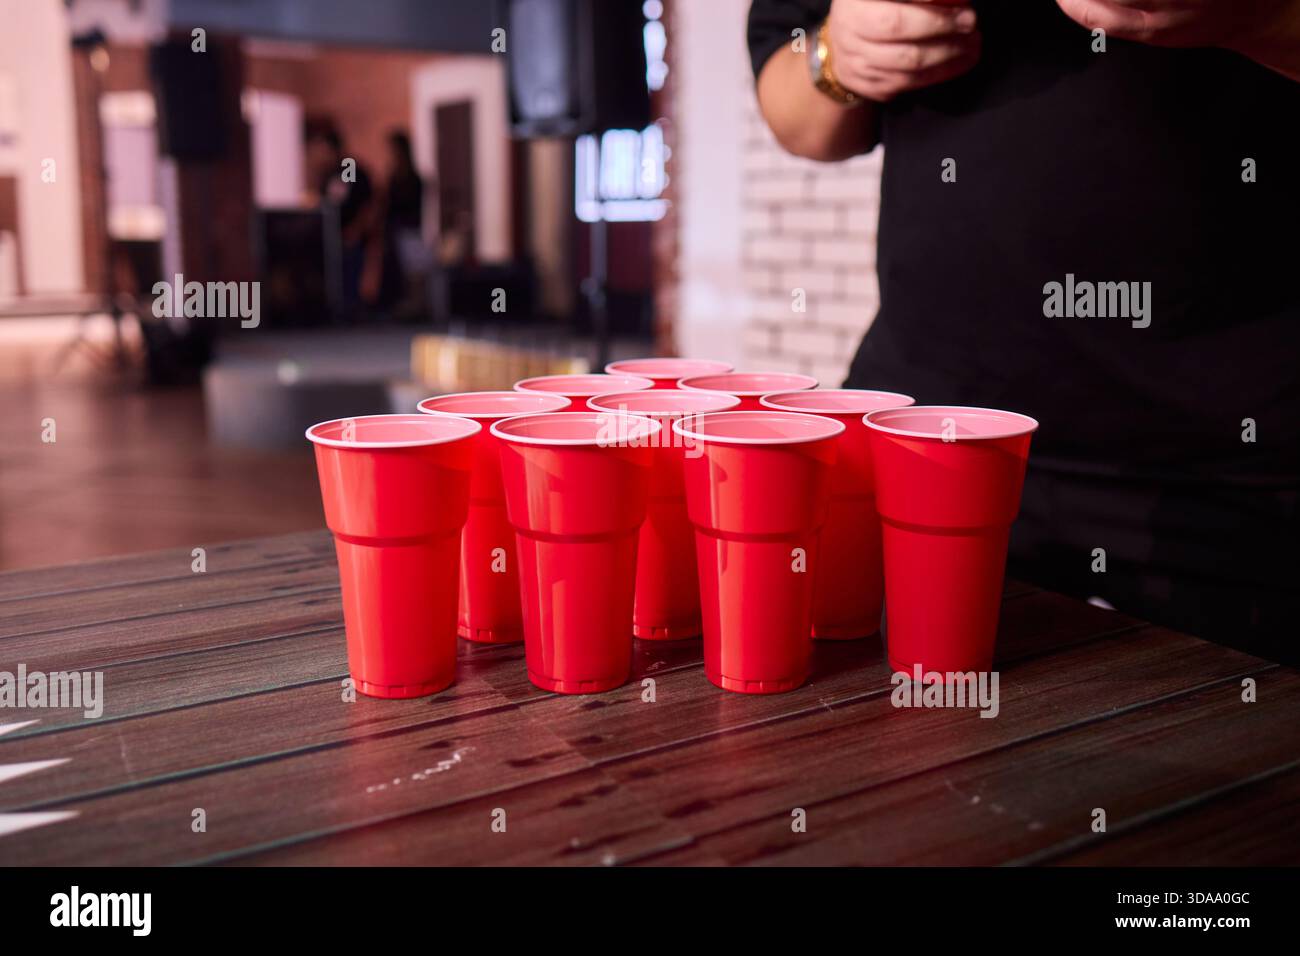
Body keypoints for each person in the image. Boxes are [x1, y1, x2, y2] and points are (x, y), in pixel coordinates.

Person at [748, 0, 1300, 663]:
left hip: (1236, 473)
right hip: (927, 432)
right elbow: (796, 108)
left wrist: (1263, 19)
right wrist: (837, 53)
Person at [306, 125, 375, 317]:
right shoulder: (328, 173)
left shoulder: (348, 167)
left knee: (351, 273)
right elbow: (323, 202)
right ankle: (338, 310)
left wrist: (356, 228)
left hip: (350, 234)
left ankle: (351, 311)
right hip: (332, 236)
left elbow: (359, 200)